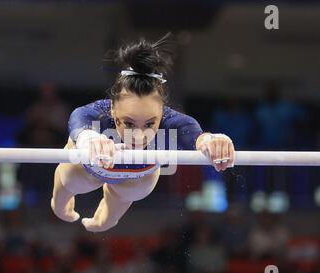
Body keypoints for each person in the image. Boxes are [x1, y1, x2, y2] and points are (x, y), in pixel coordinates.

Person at [51, 34, 235, 233]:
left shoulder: (172, 122)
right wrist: (89, 138)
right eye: (129, 123)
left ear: (162, 112)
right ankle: (59, 203)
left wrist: (212, 141)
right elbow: (78, 117)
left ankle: (103, 215)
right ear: (113, 109)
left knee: (105, 223)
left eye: (149, 124)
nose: (139, 135)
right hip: (87, 169)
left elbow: (197, 137)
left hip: (134, 178)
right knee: (65, 196)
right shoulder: (98, 115)